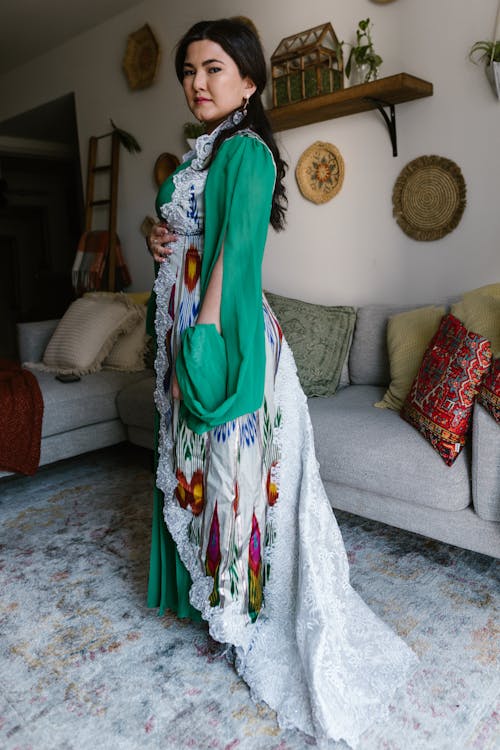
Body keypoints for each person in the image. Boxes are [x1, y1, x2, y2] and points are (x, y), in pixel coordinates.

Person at [146, 18, 417, 748]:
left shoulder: (247, 151)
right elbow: (192, 233)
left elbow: (234, 254)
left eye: (212, 69)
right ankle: (213, 597)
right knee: (203, 471)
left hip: (223, 337)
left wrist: (197, 346)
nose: (196, 83)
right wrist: (158, 234)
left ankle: (239, 615)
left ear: (249, 80)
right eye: (188, 70)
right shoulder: (208, 151)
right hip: (194, 327)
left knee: (233, 478)